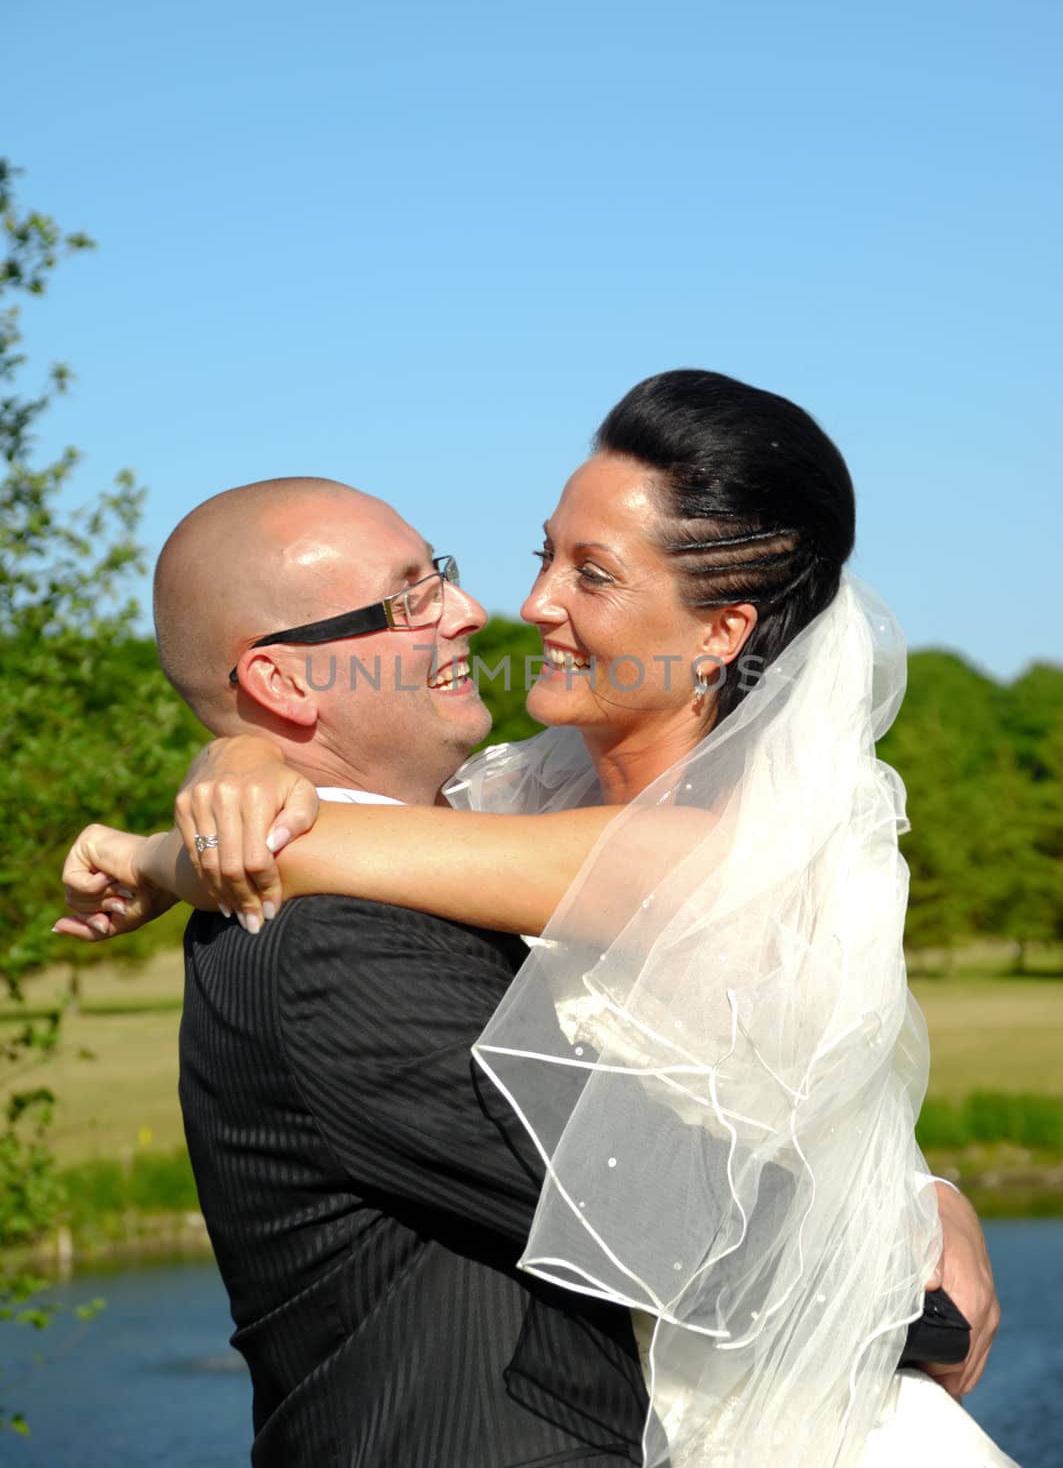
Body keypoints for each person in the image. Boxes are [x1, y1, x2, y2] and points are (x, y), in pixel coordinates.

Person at [59, 372, 1014, 1466]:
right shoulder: (473, 833)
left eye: (590, 572)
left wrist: (173, 840)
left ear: (722, 632)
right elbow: (668, 1205)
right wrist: (232, 760)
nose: (509, 608)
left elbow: (754, 1143)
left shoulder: (712, 844)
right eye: (415, 596)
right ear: (281, 677)